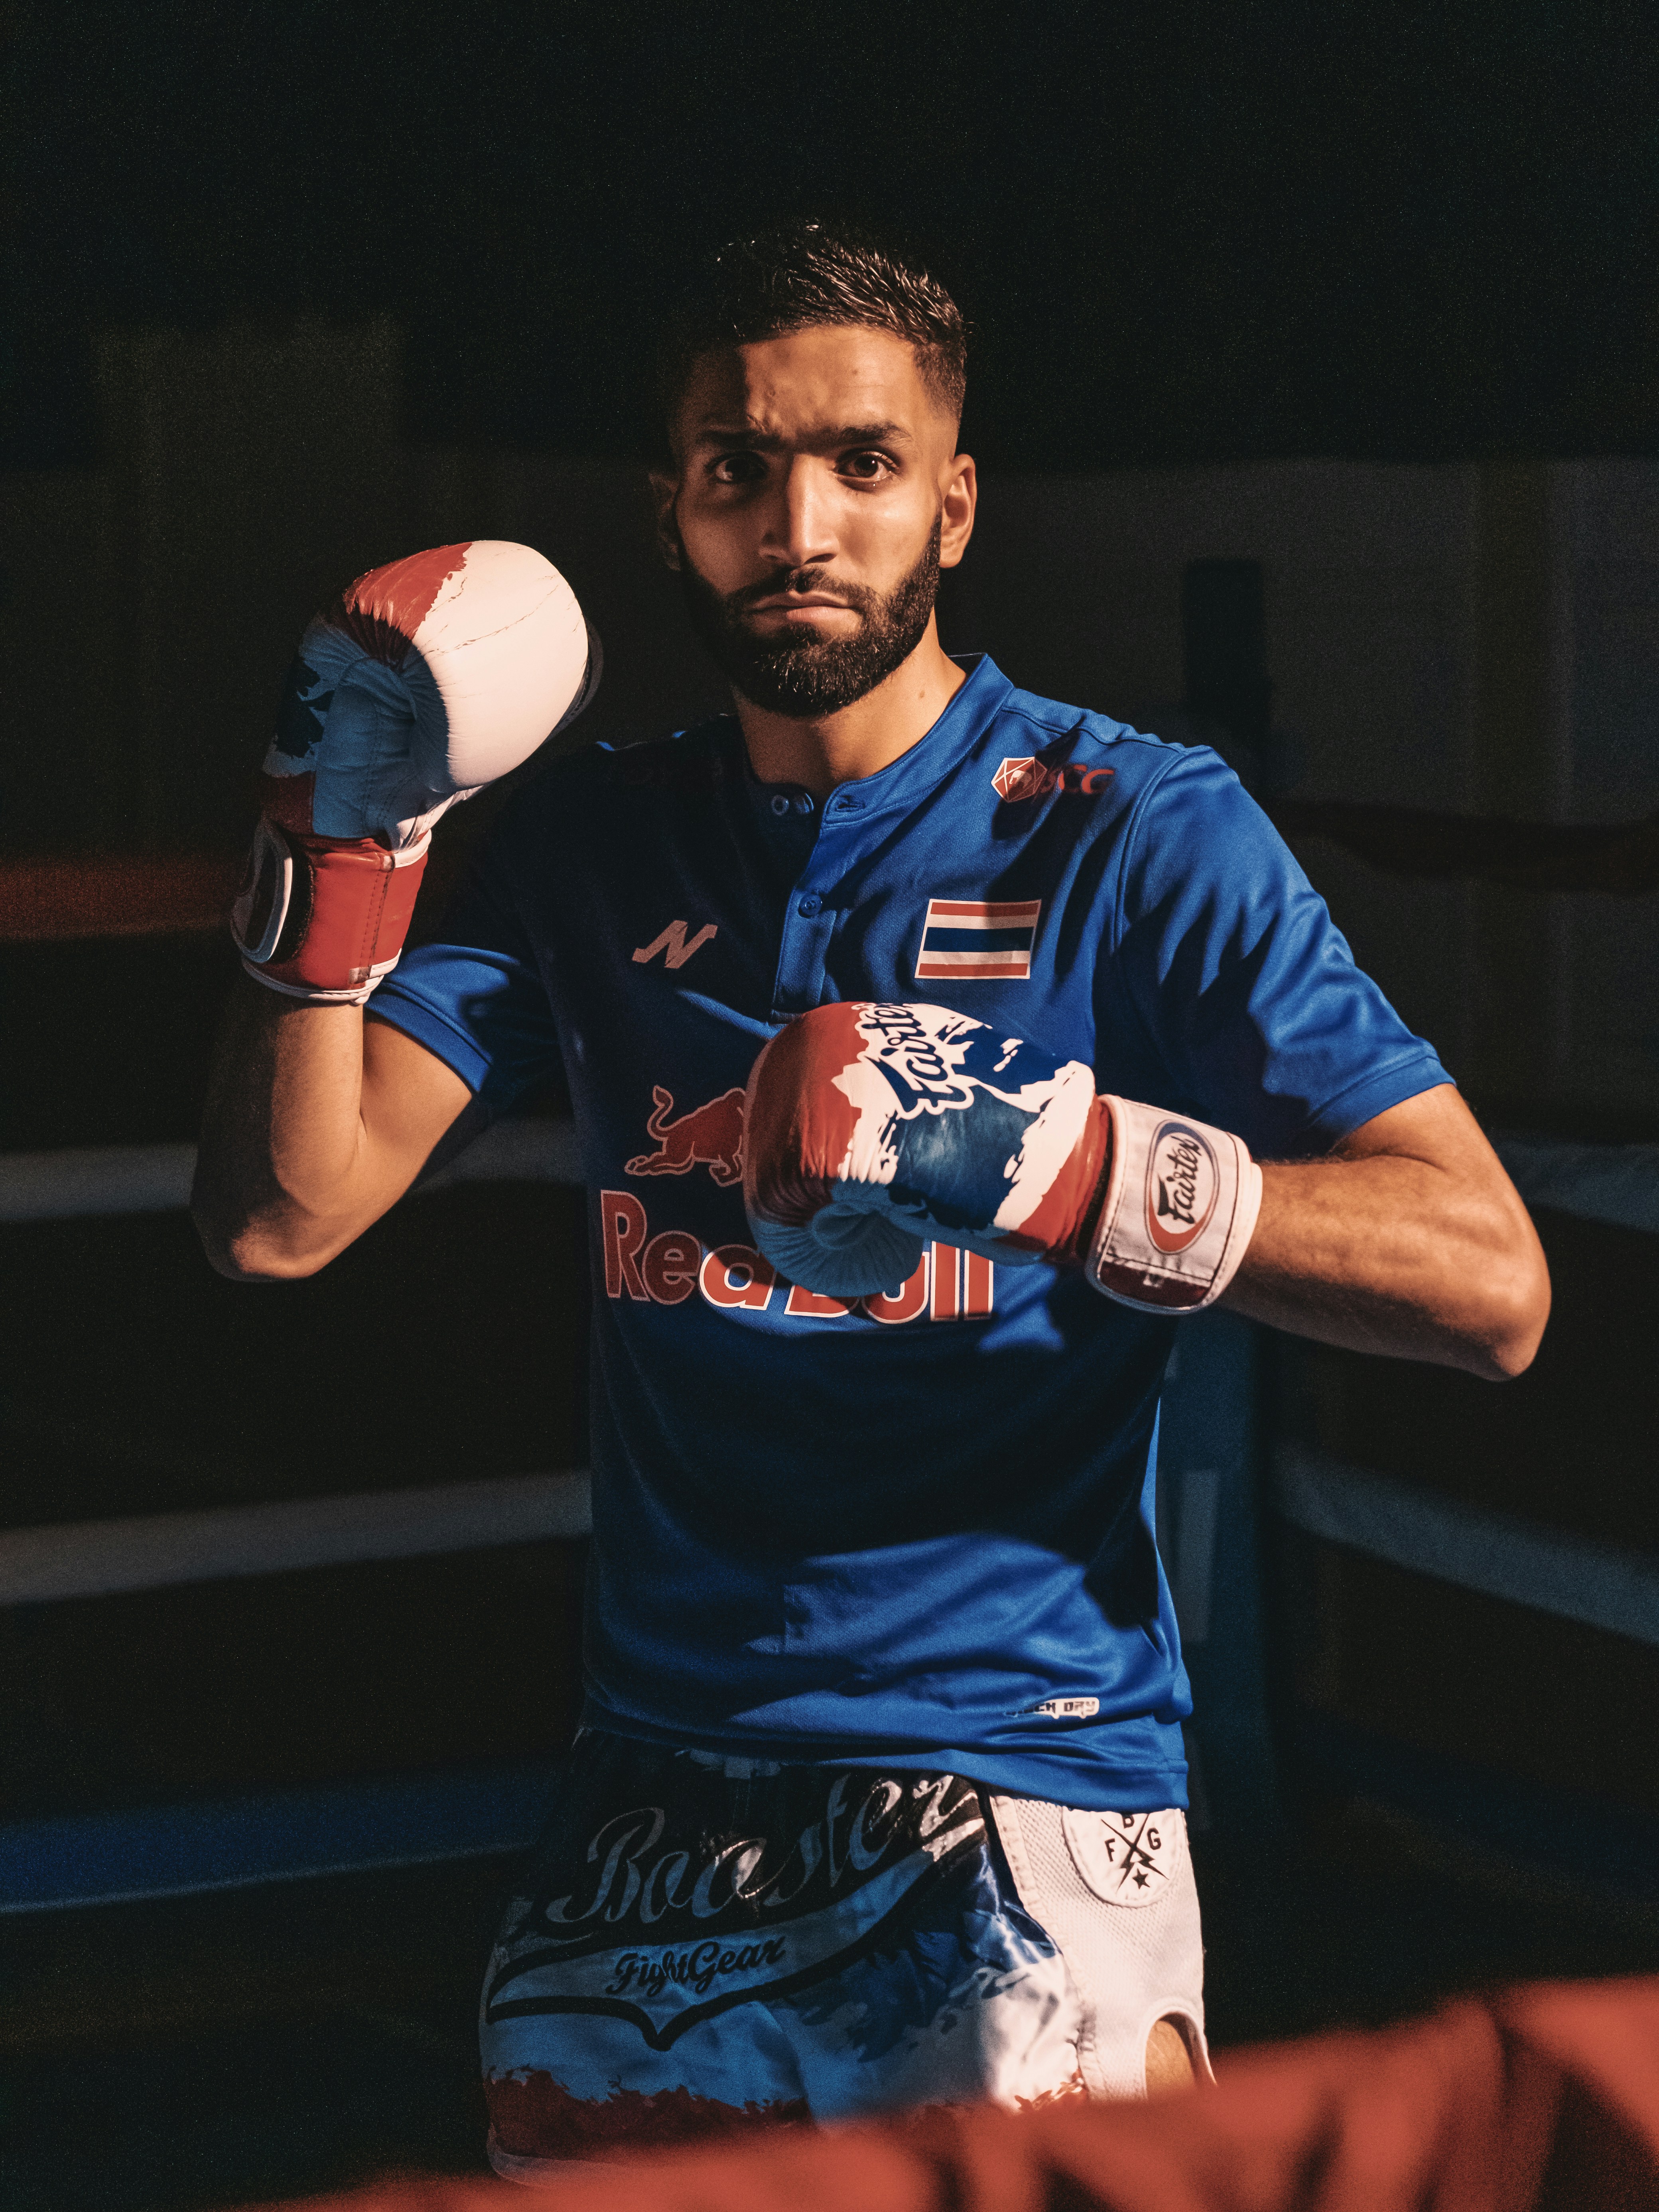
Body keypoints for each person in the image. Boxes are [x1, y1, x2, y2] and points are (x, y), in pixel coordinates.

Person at [192, 222, 1550, 2176]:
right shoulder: (588, 841)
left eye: (861, 462)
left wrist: (1055, 1161)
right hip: (656, 1795)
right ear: (671, 507)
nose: (800, 521)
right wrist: (333, 857)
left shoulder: (1129, 833)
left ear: (953, 501)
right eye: (739, 468)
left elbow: (1487, 1279)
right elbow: (278, 1214)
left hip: (1015, 1774)